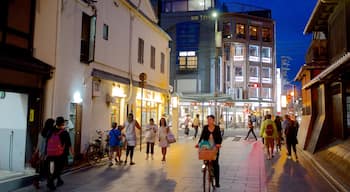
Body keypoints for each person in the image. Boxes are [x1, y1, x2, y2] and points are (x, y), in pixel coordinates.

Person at [46, 116, 73, 190]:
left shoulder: (51, 131)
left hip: (50, 154)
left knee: (52, 169)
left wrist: (46, 152)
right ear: (62, 123)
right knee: (58, 169)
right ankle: (51, 182)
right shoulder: (64, 132)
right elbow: (69, 144)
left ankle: (57, 181)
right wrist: (72, 153)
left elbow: (47, 141)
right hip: (61, 155)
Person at [197, 115, 222, 188]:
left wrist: (219, 144)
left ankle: (217, 182)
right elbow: (201, 137)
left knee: (216, 164)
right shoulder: (205, 127)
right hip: (206, 147)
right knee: (205, 158)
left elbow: (220, 138)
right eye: (208, 120)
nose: (208, 121)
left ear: (213, 120)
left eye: (210, 119)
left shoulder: (217, 128)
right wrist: (198, 144)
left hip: (215, 147)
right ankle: (205, 166)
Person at [33, 118, 55, 189]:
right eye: (53, 124)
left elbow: (38, 144)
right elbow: (49, 145)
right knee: (50, 170)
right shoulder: (51, 133)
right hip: (48, 154)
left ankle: (37, 181)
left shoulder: (41, 132)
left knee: (41, 169)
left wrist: (36, 152)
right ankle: (50, 183)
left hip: (41, 154)